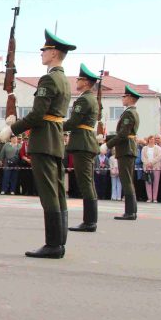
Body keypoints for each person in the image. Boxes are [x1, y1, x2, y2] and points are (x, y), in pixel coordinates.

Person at [0, 30, 74, 259]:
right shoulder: (63, 79)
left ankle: (53, 244)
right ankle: (59, 241)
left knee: (49, 193)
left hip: (43, 140)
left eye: (45, 50)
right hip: (54, 138)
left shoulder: (49, 79)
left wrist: (12, 129)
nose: (42, 53)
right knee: (57, 191)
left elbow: (38, 114)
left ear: (53, 53)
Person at [64, 64, 101, 232]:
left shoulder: (84, 99)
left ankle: (89, 222)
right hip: (85, 142)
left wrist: (55, 125)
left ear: (86, 82)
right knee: (88, 183)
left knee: (86, 183)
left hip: (83, 143)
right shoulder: (89, 98)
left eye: (79, 79)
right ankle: (90, 221)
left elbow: (73, 122)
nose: (77, 81)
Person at [103, 85, 141, 219]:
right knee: (128, 180)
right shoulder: (131, 112)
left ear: (130, 98)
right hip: (127, 148)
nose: (122, 98)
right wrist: (106, 138)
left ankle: (130, 212)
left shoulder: (129, 113)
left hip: (126, 149)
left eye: (124, 96)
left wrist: (107, 144)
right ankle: (132, 211)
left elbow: (123, 134)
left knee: (126, 181)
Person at [141, 135, 161, 202]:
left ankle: (155, 198)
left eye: (153, 139)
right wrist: (147, 163)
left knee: (156, 182)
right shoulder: (144, 148)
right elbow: (143, 157)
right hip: (147, 167)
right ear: (148, 140)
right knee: (148, 182)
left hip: (155, 167)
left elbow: (159, 157)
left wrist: (151, 163)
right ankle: (149, 198)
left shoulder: (158, 148)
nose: (152, 140)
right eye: (150, 139)